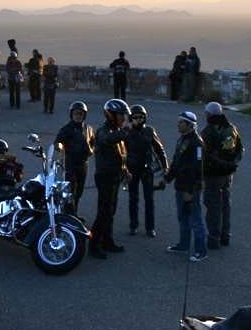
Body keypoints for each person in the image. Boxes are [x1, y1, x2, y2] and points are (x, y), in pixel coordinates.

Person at [88, 99, 130, 259]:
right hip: (105, 177)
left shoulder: (117, 131)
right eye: (121, 115)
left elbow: (121, 155)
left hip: (114, 176)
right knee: (103, 212)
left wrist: (125, 170)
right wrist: (125, 131)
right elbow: (107, 140)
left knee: (110, 211)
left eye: (124, 115)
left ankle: (107, 241)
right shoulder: (103, 131)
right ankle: (93, 245)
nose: (124, 118)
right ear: (110, 115)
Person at [164, 111, 207, 262]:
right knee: (182, 217)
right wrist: (168, 179)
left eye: (181, 122)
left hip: (190, 188)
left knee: (195, 219)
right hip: (180, 185)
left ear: (190, 125)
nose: (178, 124)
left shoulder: (197, 143)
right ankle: (183, 244)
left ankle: (201, 250)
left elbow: (198, 168)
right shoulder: (181, 139)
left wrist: (191, 190)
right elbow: (176, 161)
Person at [201, 102, 244, 249]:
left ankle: (213, 238)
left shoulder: (207, 132)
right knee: (225, 205)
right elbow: (240, 149)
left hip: (213, 175)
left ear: (209, 115)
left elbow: (204, 156)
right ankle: (225, 236)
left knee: (213, 206)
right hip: (228, 175)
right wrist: (232, 165)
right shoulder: (231, 129)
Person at [125, 104, 168, 238]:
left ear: (145, 118)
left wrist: (165, 166)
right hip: (132, 169)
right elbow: (120, 151)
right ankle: (133, 225)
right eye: (136, 117)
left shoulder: (149, 130)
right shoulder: (126, 131)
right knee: (133, 198)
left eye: (141, 117)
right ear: (131, 118)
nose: (138, 120)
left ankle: (150, 227)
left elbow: (159, 149)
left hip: (146, 169)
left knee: (149, 199)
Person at [54, 101, 93, 215]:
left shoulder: (88, 128)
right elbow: (57, 142)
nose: (78, 116)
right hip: (70, 163)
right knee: (70, 192)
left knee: (79, 192)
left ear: (84, 115)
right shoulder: (67, 129)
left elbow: (94, 142)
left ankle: (74, 214)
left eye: (80, 114)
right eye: (75, 114)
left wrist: (91, 150)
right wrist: (60, 147)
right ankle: (68, 215)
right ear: (71, 115)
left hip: (83, 163)